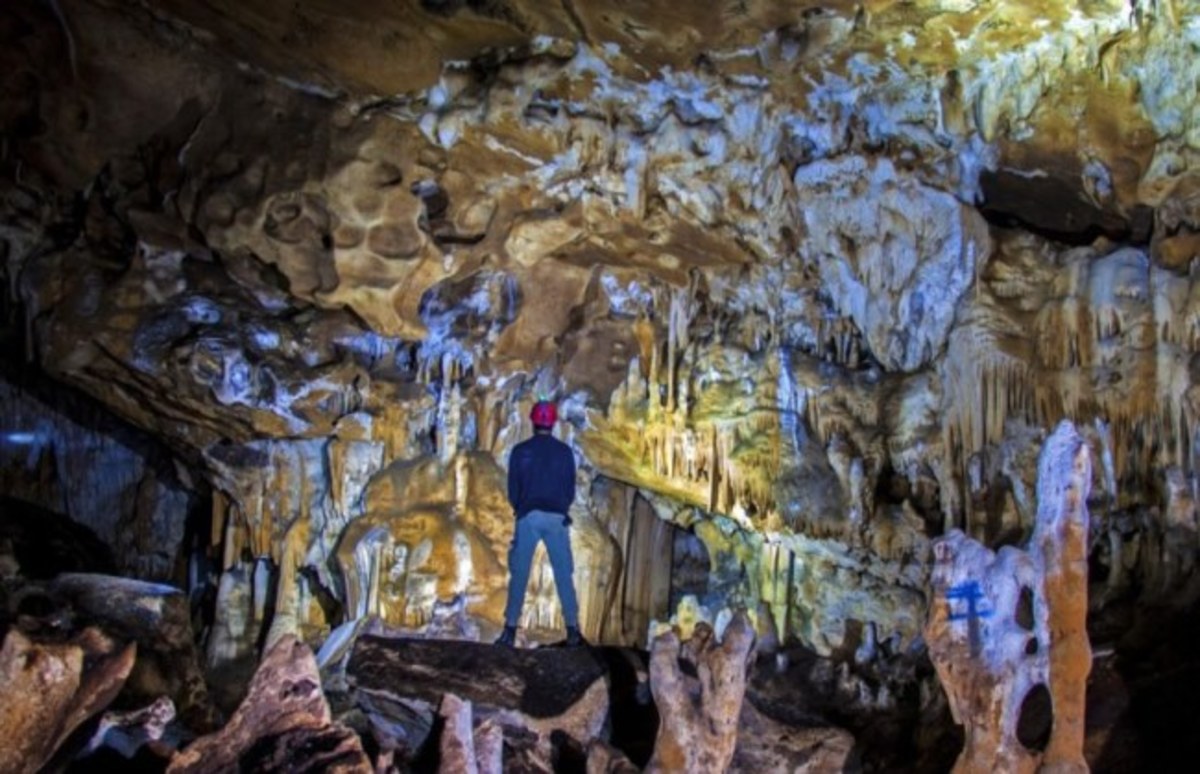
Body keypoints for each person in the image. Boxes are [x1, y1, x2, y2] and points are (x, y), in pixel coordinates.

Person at [494, 400, 584, 647]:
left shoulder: (521, 451)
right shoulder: (565, 452)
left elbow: (513, 488)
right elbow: (569, 489)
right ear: (553, 424)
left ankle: (510, 630)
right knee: (564, 574)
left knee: (520, 573)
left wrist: (521, 507)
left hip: (529, 516)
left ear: (533, 423)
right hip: (556, 517)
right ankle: (573, 630)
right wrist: (560, 507)